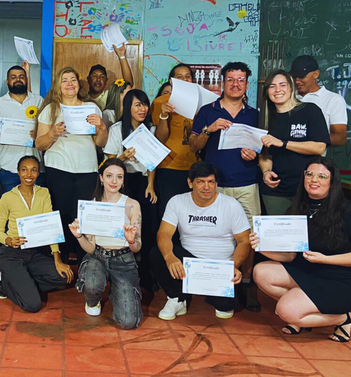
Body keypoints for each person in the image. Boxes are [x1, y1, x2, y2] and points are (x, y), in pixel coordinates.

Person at [252, 157, 351, 342]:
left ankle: (343, 318)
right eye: (309, 174)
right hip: (308, 272)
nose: (314, 180)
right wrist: (260, 247)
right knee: (261, 271)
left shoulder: (348, 211)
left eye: (322, 176)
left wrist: (325, 259)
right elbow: (290, 256)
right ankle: (303, 310)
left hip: (341, 280)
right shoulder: (296, 208)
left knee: (285, 310)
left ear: (332, 182)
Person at [189, 62, 262, 312]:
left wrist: (255, 155)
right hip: (214, 186)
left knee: (250, 236)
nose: (235, 84)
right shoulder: (207, 111)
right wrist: (208, 130)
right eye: (231, 79)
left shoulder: (254, 114)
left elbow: (264, 147)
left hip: (247, 183)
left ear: (247, 84)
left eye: (241, 80)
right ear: (223, 82)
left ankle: (247, 285)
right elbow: (193, 146)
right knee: (216, 235)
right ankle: (216, 281)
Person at [150, 161, 251, 320]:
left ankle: (215, 293)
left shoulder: (231, 205)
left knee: (225, 307)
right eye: (201, 182)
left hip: (219, 267)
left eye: (211, 182)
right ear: (190, 183)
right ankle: (177, 298)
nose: (206, 187)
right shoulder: (177, 201)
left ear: (216, 183)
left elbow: (244, 241)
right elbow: (164, 234)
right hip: (189, 264)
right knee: (157, 253)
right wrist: (170, 258)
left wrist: (233, 265)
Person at [36, 67, 108, 261]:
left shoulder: (91, 108)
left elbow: (100, 143)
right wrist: (52, 133)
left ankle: (84, 255)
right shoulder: (50, 109)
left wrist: (102, 127)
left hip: (87, 169)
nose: (69, 84)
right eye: (65, 80)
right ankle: (61, 256)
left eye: (73, 80)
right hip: (58, 167)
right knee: (61, 213)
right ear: (58, 86)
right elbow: (39, 144)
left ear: (79, 84)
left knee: (82, 215)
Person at [68, 158, 143, 329]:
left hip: (123, 259)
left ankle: (117, 293)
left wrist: (131, 239)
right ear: (101, 178)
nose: (114, 181)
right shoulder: (92, 205)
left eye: (119, 177)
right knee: (93, 284)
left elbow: (137, 247)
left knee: (128, 322)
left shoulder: (132, 205)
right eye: (109, 176)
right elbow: (90, 248)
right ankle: (92, 299)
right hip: (98, 256)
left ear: (123, 180)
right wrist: (79, 236)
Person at [0, 156, 72, 312]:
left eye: (33, 170)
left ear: (38, 173)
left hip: (34, 253)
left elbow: (50, 227)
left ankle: (20, 283)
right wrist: (8, 240)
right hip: (12, 254)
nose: (29, 175)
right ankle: (5, 283)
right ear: (18, 172)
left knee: (63, 277)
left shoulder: (44, 193)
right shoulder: (7, 198)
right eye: (24, 170)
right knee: (33, 305)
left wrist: (57, 259)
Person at [103, 89, 158, 288]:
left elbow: (153, 161)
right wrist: (124, 157)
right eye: (137, 105)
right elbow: (109, 163)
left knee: (147, 226)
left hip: (144, 181)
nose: (143, 109)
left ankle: (146, 273)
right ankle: (119, 270)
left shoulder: (151, 129)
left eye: (145, 104)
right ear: (128, 107)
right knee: (123, 225)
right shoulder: (117, 129)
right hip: (122, 183)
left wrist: (151, 185)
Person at [259, 70, 330, 216]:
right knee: (279, 229)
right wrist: (266, 172)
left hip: (308, 187)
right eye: (272, 86)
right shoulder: (264, 118)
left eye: (282, 85)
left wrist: (283, 143)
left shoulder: (310, 110)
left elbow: (319, 147)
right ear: (267, 91)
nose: (277, 90)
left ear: (291, 88)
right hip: (275, 190)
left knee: (311, 228)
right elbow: (264, 154)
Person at [150, 64, 199, 225]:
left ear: (192, 80)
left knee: (191, 216)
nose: (184, 80)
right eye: (179, 77)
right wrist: (164, 116)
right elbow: (159, 139)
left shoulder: (201, 102)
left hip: (194, 167)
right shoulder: (161, 102)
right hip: (169, 166)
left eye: (187, 77)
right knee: (169, 215)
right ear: (171, 81)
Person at [0, 65, 46, 193]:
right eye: (13, 77)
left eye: (21, 77)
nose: (18, 79)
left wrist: (39, 134)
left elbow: (46, 132)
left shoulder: (39, 101)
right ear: (7, 81)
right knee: (11, 205)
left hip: (35, 168)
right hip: (9, 167)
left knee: (36, 204)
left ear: (26, 80)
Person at [290, 55, 347, 147]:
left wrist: (306, 141)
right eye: (294, 76)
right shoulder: (286, 96)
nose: (297, 81)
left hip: (315, 156)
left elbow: (340, 138)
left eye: (301, 76)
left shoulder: (333, 100)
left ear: (316, 74)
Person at [87, 43, 135, 109]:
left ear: (106, 80)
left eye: (102, 77)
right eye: (94, 76)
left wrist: (122, 56)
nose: (98, 79)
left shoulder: (110, 96)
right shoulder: (81, 97)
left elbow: (128, 84)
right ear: (88, 79)